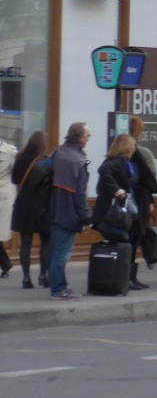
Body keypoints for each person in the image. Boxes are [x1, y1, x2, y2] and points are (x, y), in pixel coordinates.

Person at [93, 133, 147, 289]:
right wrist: (116, 190)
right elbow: (104, 170)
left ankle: (128, 277)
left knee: (128, 241)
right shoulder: (117, 161)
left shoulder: (125, 162)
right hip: (113, 212)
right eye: (132, 146)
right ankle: (123, 277)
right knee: (124, 241)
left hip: (122, 209)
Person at [48, 122, 92, 300]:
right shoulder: (78, 161)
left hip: (54, 208)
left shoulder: (58, 152)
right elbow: (80, 195)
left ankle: (56, 286)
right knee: (62, 253)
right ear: (81, 138)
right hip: (68, 212)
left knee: (56, 251)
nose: (89, 138)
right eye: (88, 135)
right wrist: (86, 218)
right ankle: (58, 289)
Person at [10, 130, 52, 288]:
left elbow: (14, 179)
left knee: (25, 242)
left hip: (23, 205)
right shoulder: (45, 161)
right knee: (45, 241)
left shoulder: (20, 158)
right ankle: (43, 275)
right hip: (42, 206)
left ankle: (26, 278)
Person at [127, 116, 157, 280]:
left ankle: (130, 276)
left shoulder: (129, 151)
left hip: (134, 200)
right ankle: (129, 277)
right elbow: (149, 179)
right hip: (138, 200)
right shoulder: (139, 153)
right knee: (134, 237)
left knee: (133, 237)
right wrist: (152, 197)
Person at [0, 136, 15, 277]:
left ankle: (5, 264)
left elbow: (16, 175)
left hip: (3, 197)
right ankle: (6, 264)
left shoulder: (9, 152)